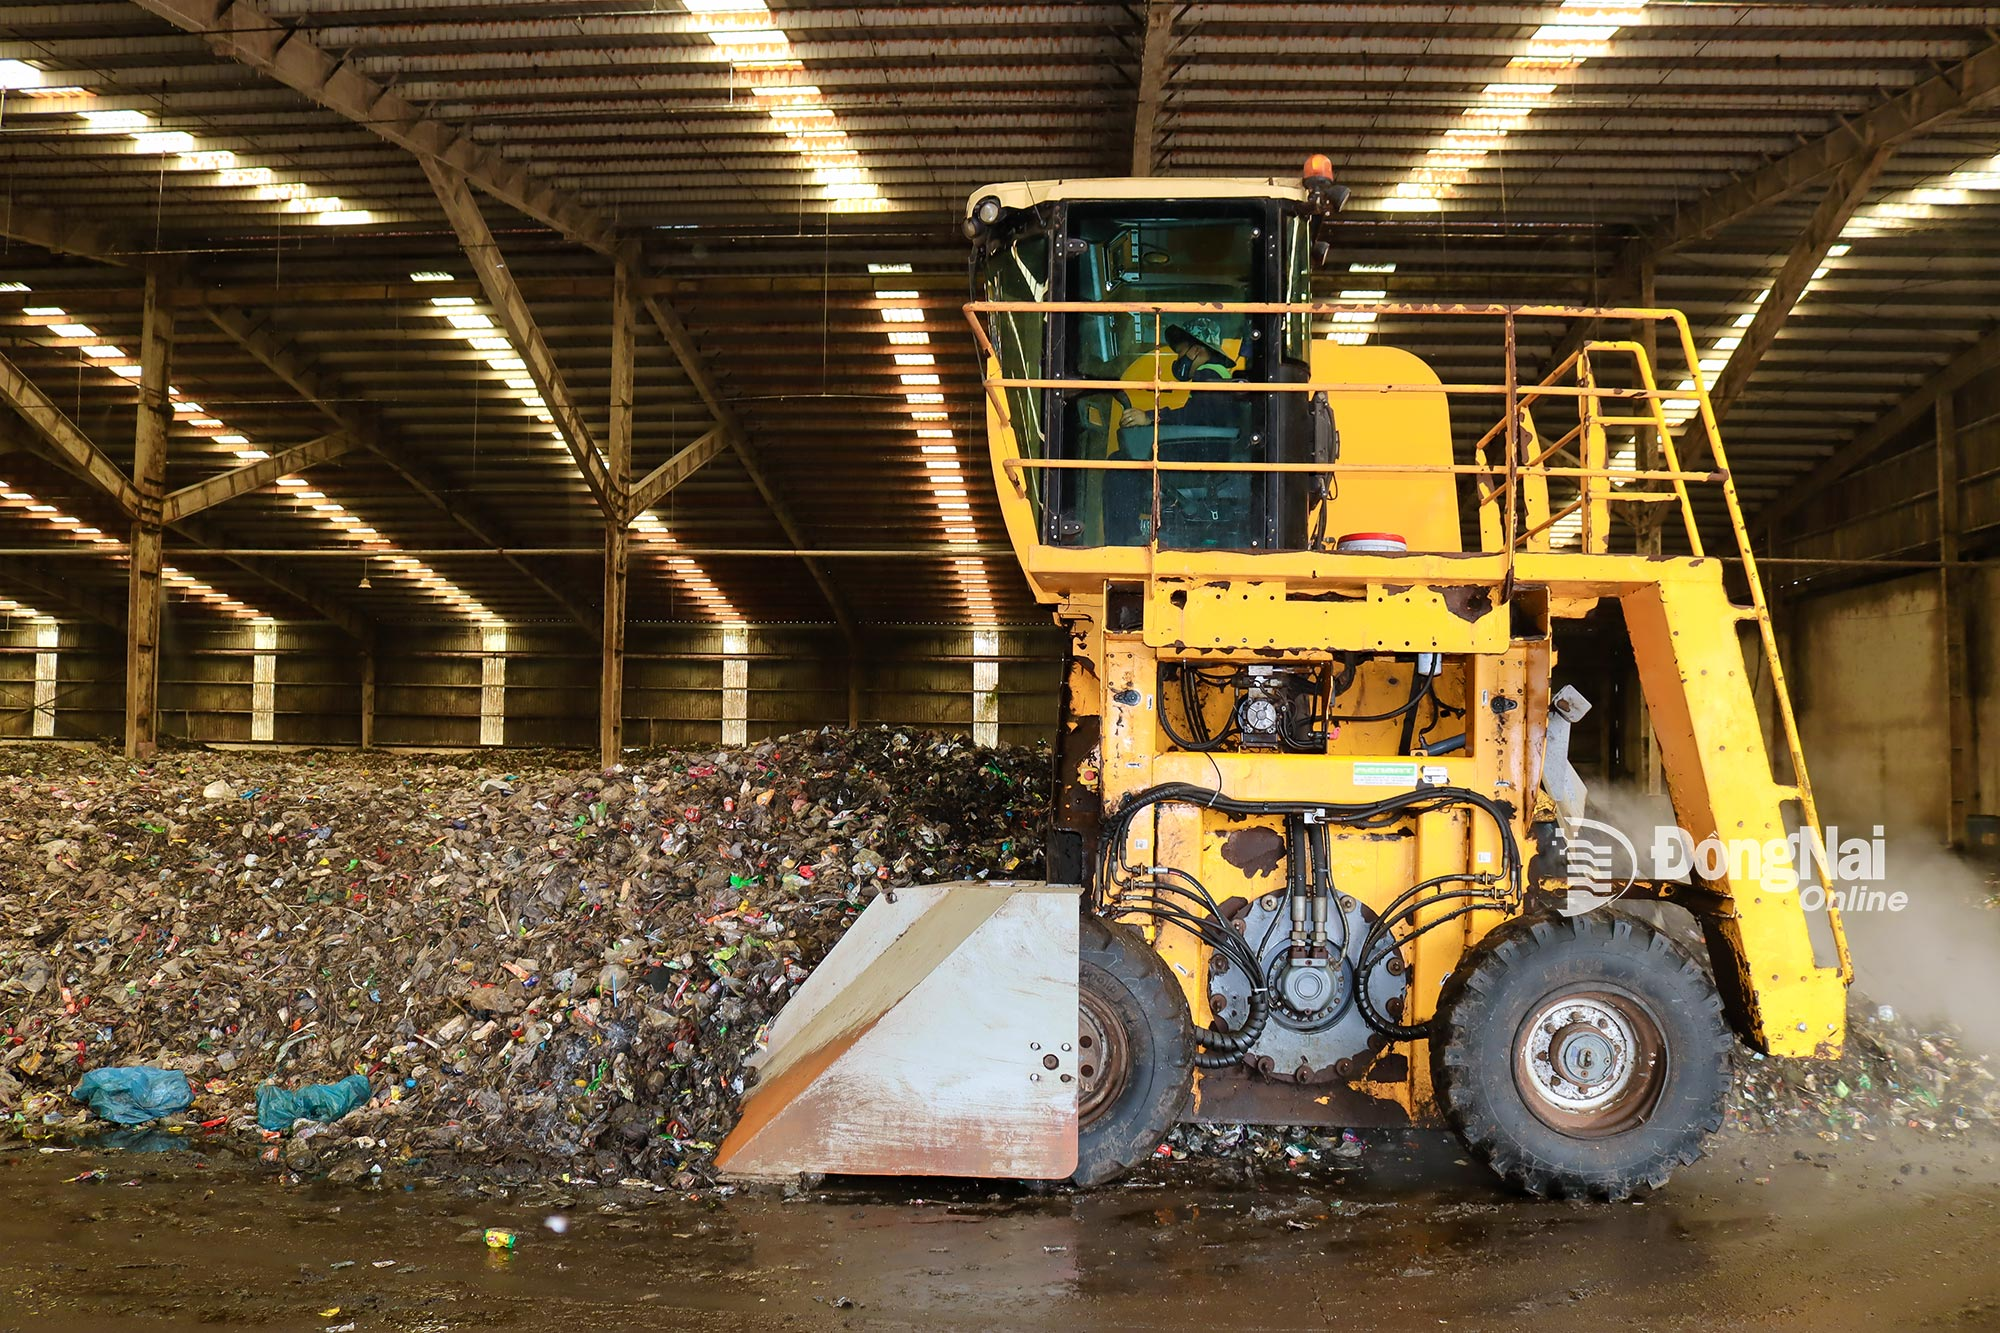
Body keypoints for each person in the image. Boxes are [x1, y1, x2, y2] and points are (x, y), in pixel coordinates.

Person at [1104, 318, 1243, 544]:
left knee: (1121, 466)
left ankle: (1124, 539)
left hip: (1204, 455)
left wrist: (1150, 417)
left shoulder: (1209, 375)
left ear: (1196, 350)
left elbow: (1195, 417)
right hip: (1209, 452)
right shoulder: (1218, 375)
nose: (1179, 360)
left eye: (1180, 353)